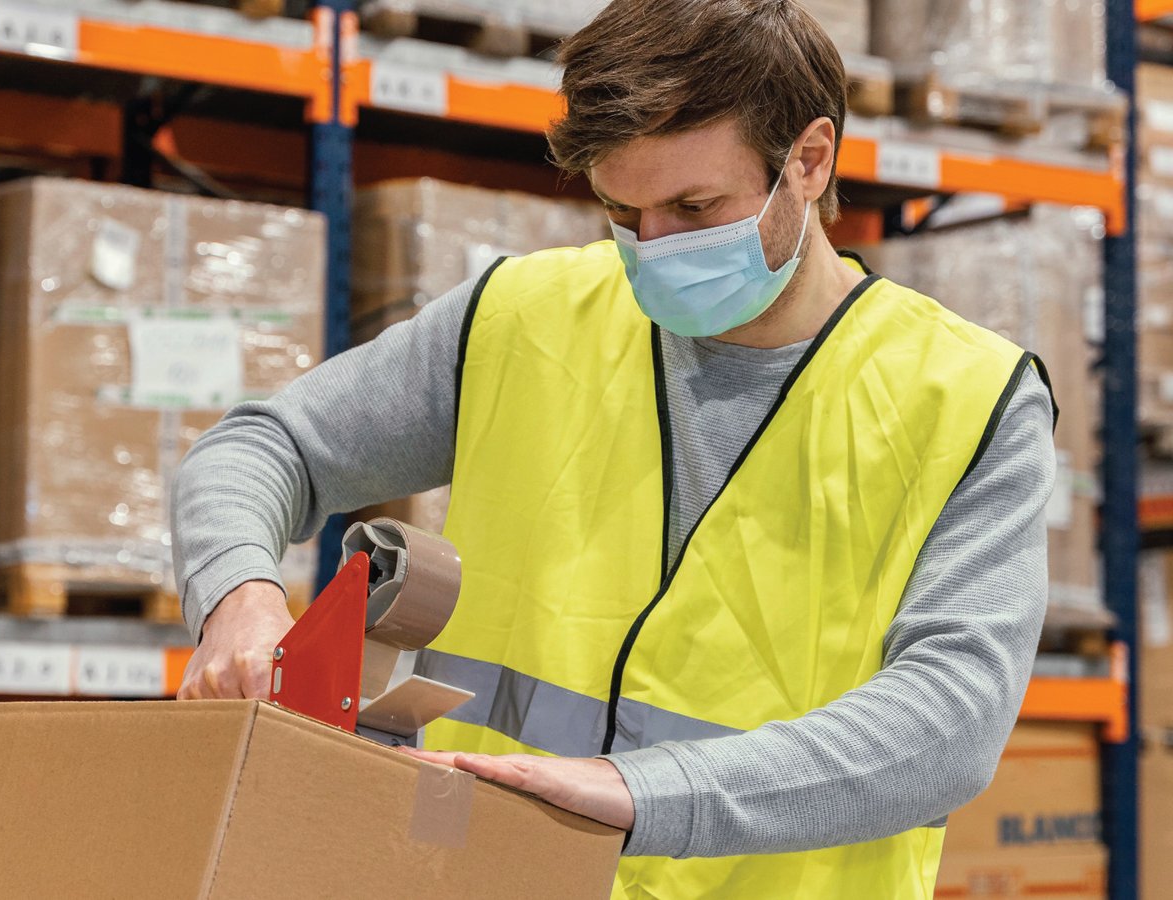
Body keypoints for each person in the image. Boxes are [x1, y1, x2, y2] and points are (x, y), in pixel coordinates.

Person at [170, 0, 1056, 895]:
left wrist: (642, 794)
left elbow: (952, 719)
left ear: (810, 160)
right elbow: (263, 447)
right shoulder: (524, 318)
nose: (653, 249)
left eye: (694, 207)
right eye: (621, 211)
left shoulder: (969, 398)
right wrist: (238, 599)